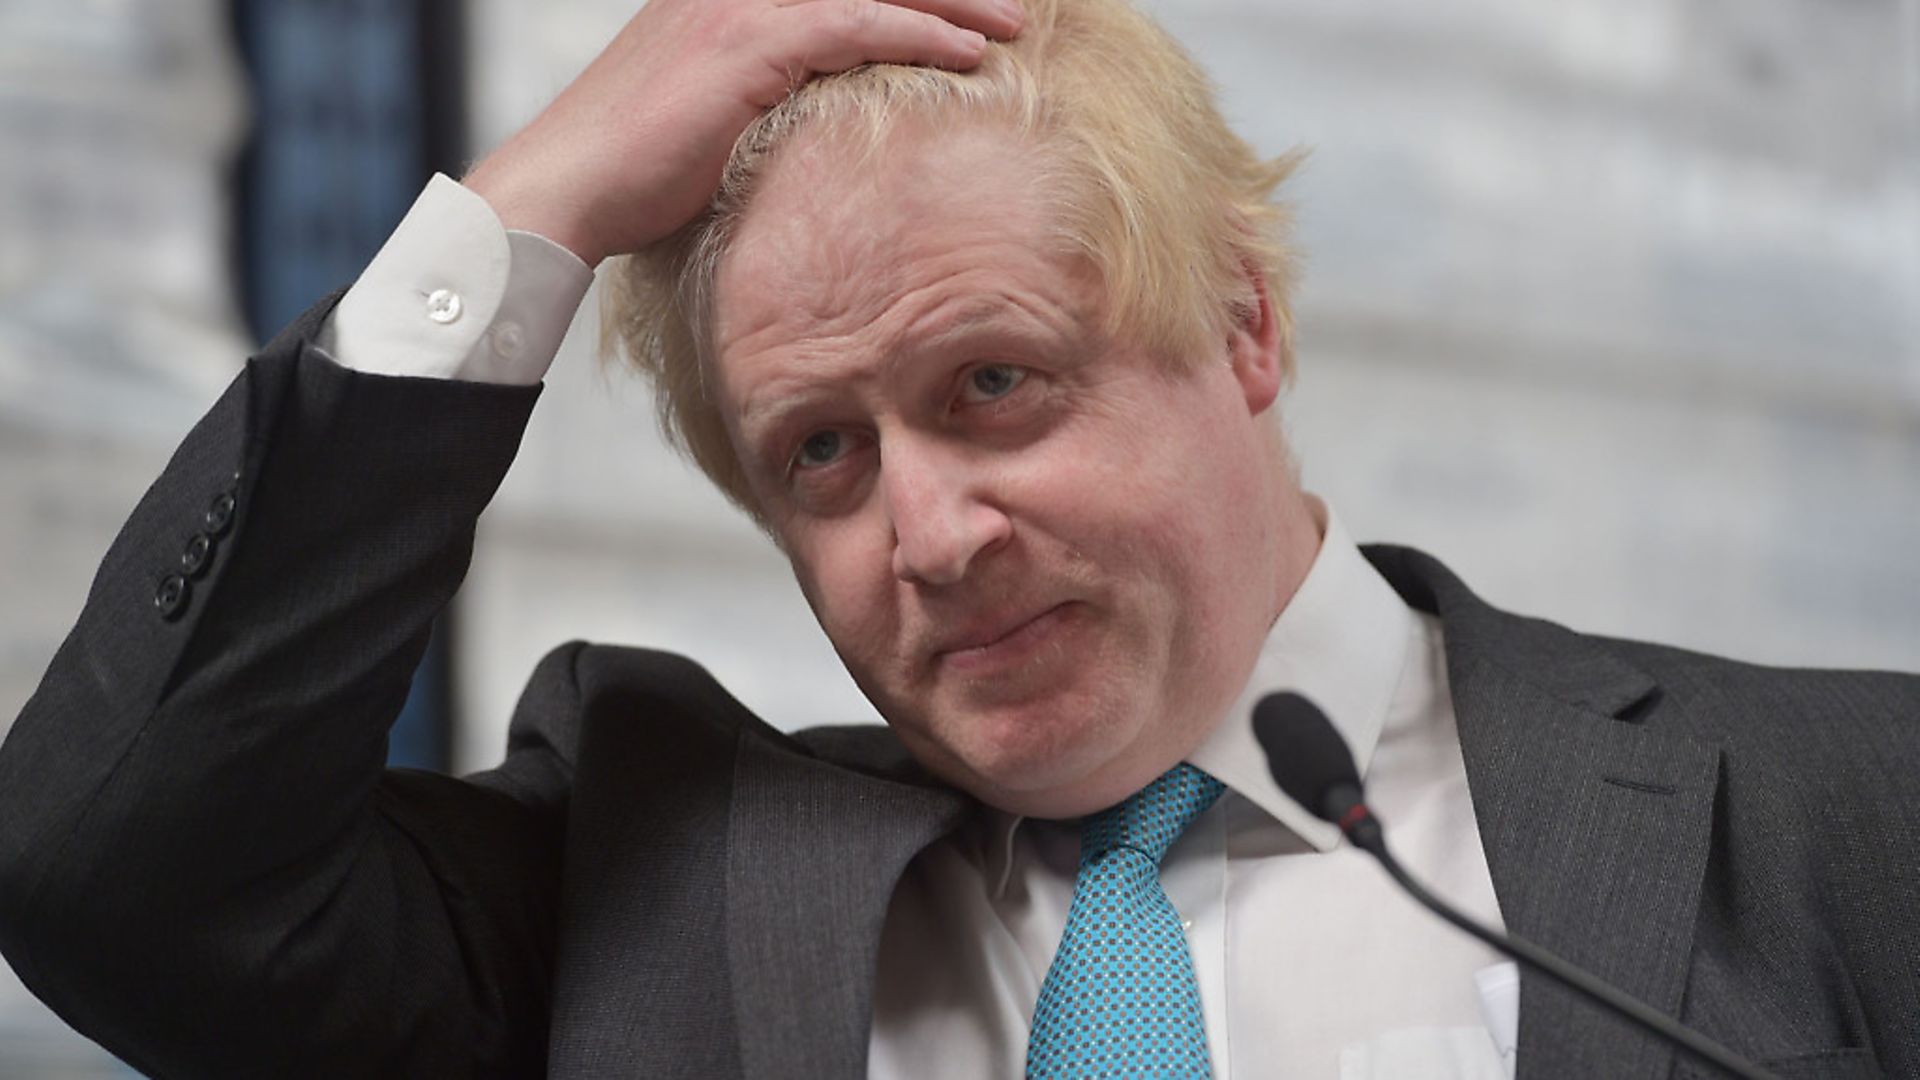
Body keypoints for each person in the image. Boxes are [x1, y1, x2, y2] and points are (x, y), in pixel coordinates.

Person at [1, 0, 1916, 1076]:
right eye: (821, 453)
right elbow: (112, 868)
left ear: (1246, 325)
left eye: (997, 384)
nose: (927, 531)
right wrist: (538, 199)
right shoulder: (640, 885)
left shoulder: (1850, 807)